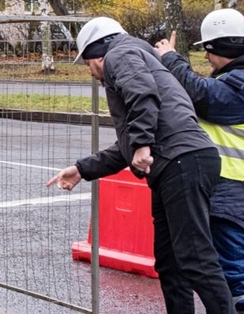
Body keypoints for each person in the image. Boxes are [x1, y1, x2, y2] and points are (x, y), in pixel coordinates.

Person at [47, 17, 234, 314]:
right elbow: (127, 147)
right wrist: (82, 169)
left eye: (87, 65)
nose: (92, 73)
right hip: (179, 161)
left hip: (182, 161)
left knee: (196, 258)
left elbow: (142, 95)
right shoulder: (136, 56)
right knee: (170, 261)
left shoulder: (120, 55)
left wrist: (143, 143)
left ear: (97, 54)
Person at [154, 9, 244, 314]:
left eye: (208, 52)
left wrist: (172, 60)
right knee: (219, 268)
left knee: (239, 270)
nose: (207, 59)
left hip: (239, 189)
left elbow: (203, 96)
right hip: (228, 186)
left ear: (216, 49)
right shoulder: (243, 78)